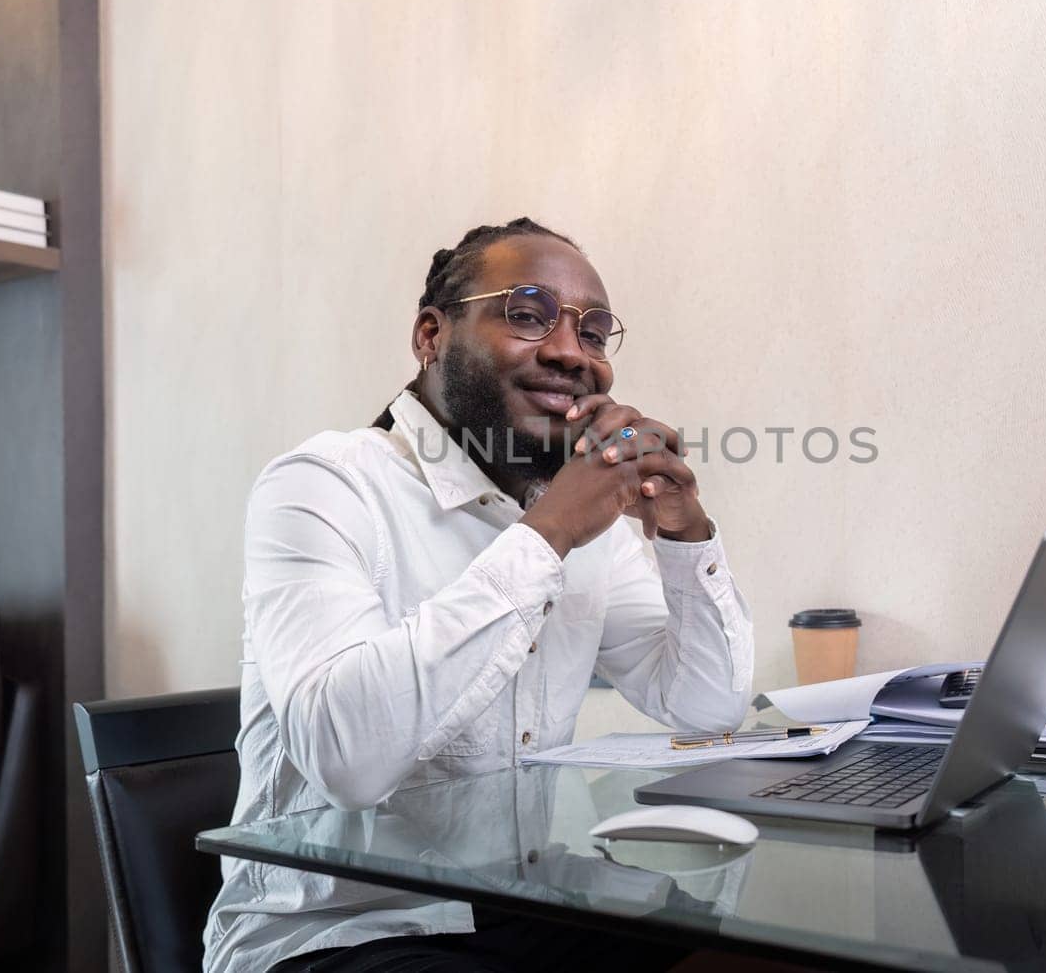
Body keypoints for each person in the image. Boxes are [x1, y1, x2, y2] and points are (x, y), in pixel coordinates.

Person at [203, 218, 755, 973]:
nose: (569, 351)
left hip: (522, 902)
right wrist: (550, 532)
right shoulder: (323, 485)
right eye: (527, 314)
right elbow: (349, 761)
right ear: (431, 336)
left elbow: (708, 704)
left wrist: (686, 534)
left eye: (593, 332)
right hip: (338, 932)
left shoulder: (571, 506)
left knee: (767, 951)